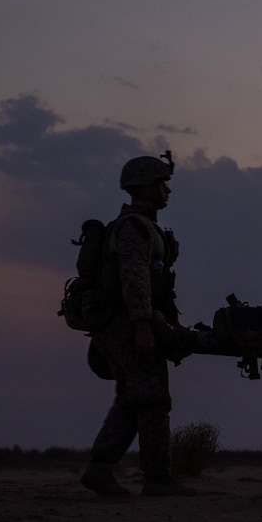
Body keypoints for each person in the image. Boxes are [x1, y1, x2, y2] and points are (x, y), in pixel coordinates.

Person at [79, 154, 196, 497]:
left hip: (128, 322)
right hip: (129, 324)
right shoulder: (133, 228)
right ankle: (157, 480)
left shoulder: (144, 226)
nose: (167, 190)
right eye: (162, 183)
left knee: (133, 399)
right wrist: (143, 326)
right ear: (146, 186)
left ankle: (101, 470)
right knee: (152, 400)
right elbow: (135, 280)